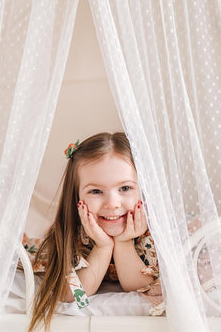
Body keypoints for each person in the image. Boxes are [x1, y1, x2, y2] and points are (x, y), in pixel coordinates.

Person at [25, 132, 162, 332]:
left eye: (125, 188)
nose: (113, 204)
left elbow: (141, 288)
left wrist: (124, 243)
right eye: (96, 191)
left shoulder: (149, 233)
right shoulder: (73, 234)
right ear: (76, 197)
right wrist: (103, 246)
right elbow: (74, 295)